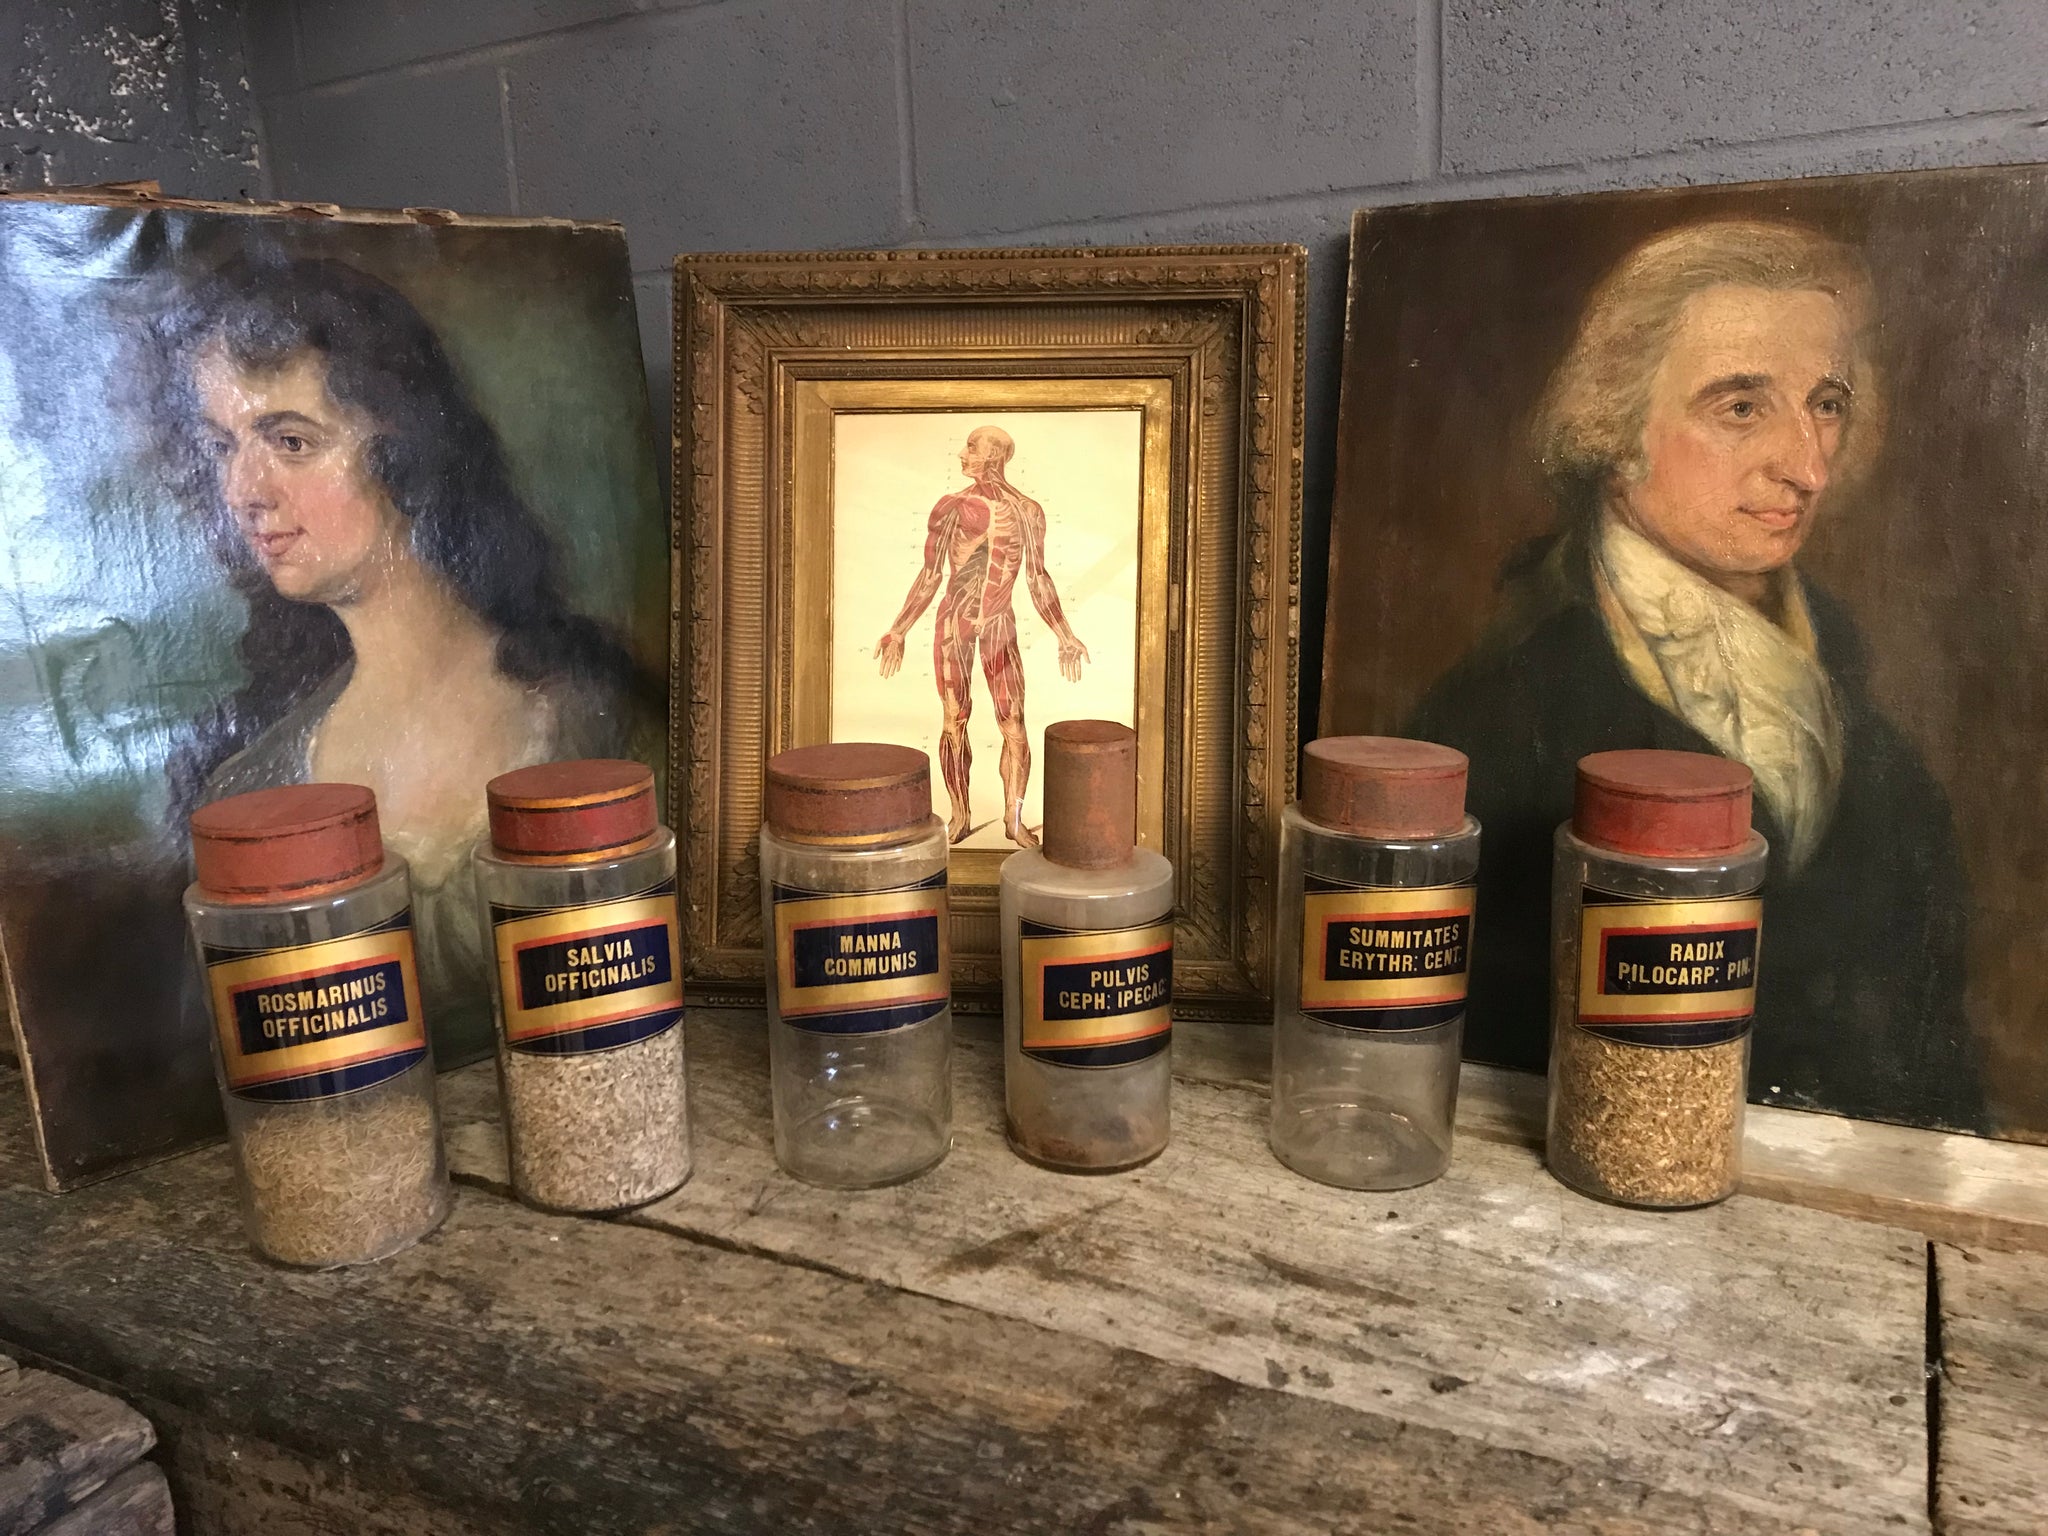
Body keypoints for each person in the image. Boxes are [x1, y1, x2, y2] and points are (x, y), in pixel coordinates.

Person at [1406, 219, 1987, 1131]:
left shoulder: (1880, 742)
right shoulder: (1493, 707)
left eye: (1826, 404)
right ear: (1616, 424)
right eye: (1742, 407)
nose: (1807, 465)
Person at [157, 252, 655, 1061]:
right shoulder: (249, 785)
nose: (246, 489)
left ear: (406, 448)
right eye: (223, 446)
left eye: (290, 440)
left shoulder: (589, 706)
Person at [875, 425, 1089, 847]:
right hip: (954, 622)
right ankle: (960, 815)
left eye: (971, 446)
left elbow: (1037, 578)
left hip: (999, 625)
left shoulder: (1028, 511)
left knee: (1014, 722)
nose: (961, 454)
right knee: (954, 717)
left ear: (994, 455)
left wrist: (1065, 634)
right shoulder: (951, 507)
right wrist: (899, 628)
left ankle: (1013, 818)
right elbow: (931, 574)